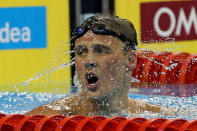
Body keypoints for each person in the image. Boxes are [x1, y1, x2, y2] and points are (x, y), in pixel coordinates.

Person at [25, 14, 174, 117]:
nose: (88, 60)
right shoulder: (47, 118)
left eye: (101, 50)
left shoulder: (156, 116)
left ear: (130, 60)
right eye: (81, 52)